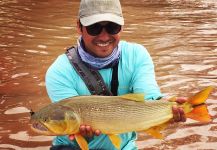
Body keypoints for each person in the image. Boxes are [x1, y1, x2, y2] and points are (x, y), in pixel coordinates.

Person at [46, 0, 186, 149]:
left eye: (112, 27)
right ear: (79, 27)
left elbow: (147, 97)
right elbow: (67, 124)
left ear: (122, 27)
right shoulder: (59, 72)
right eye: (94, 28)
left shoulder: (137, 55)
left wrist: (166, 107)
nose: (104, 37)